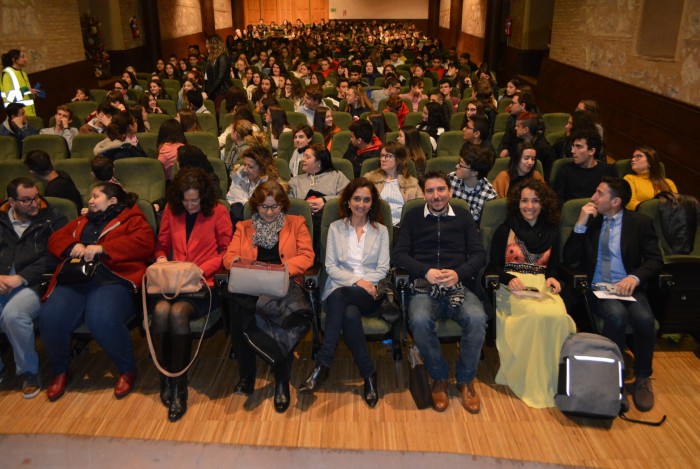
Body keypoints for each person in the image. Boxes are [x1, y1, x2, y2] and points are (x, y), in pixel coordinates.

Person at [40, 183, 155, 402]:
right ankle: (60, 370)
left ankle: (126, 368)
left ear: (112, 201)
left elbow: (144, 244)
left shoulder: (133, 220)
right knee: (50, 318)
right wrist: (73, 245)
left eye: (95, 196)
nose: (90, 200)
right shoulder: (82, 220)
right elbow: (55, 239)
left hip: (112, 279)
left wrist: (104, 249)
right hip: (75, 280)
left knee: (101, 319)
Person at [563, 177, 663, 412]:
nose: (593, 197)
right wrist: (580, 223)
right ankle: (614, 378)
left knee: (645, 319)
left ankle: (642, 378)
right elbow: (569, 258)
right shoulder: (592, 221)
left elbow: (655, 260)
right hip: (598, 287)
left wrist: (635, 277)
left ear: (615, 201)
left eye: (599, 194)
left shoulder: (640, 223)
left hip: (628, 286)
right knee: (616, 316)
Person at [393, 171, 488, 413]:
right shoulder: (413, 217)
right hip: (424, 287)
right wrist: (425, 271)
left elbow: (478, 255)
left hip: (457, 285)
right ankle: (439, 377)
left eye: (441, 190)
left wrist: (459, 273)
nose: (436, 196)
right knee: (419, 320)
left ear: (450, 191)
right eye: (430, 191)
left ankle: (466, 380)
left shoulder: (464, 217)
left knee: (477, 318)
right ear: (423, 193)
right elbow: (399, 254)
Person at [223, 181, 314, 413]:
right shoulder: (243, 227)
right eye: (264, 207)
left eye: (275, 207)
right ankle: (255, 374)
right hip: (252, 285)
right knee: (239, 306)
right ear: (256, 207)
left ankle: (271, 378)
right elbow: (229, 258)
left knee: (243, 309)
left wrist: (279, 270)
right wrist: (248, 267)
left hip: (284, 283)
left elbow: (307, 256)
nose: (270, 212)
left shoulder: (296, 223)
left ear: (283, 205)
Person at [150, 168, 233, 422]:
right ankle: (166, 374)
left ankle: (180, 385)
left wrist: (202, 268)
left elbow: (227, 250)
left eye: (194, 200)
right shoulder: (172, 211)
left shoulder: (218, 211)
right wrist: (162, 258)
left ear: (204, 197)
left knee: (176, 313)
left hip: (202, 284)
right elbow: (161, 244)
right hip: (173, 281)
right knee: (160, 311)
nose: (189, 205)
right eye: (185, 200)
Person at [299, 178, 389, 408]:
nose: (361, 204)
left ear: (372, 204)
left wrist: (366, 284)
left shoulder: (381, 231)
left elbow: (382, 268)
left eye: (366, 200)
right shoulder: (336, 229)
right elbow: (331, 268)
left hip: (370, 293)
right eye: (357, 198)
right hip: (343, 290)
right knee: (348, 313)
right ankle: (369, 374)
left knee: (341, 298)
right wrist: (358, 281)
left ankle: (324, 363)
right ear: (348, 201)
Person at [488, 179, 576, 408]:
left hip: (540, 284)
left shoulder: (551, 231)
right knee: (536, 316)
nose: (529, 206)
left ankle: (553, 380)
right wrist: (509, 279)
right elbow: (493, 266)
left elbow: (553, 267)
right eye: (524, 200)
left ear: (543, 204)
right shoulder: (506, 228)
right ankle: (528, 378)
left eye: (535, 201)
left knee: (558, 317)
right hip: (512, 286)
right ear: (517, 203)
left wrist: (553, 278)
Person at [0, 178, 67, 398]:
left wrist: (20, 278)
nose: (35, 203)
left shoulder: (53, 218)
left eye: (36, 197)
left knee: (13, 315)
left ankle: (29, 372)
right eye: (27, 200)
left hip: (36, 283)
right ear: (11, 201)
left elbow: (54, 256)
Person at [288, 144, 350, 253]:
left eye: (307, 157)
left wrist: (325, 201)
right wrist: (304, 207)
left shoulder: (336, 176)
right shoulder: (296, 181)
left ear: (319, 161)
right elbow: (288, 203)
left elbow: (349, 197)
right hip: (302, 225)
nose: (303, 160)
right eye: (303, 156)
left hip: (331, 223)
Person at [364, 141, 423, 227]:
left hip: (402, 227)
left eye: (388, 156)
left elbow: (421, 207)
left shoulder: (412, 184)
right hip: (376, 225)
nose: (383, 159)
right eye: (382, 156)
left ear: (399, 159)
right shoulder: (369, 180)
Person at [553, 129, 616, 204]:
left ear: (592, 151)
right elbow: (557, 202)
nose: (572, 151)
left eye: (578, 146)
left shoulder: (609, 171)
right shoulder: (565, 170)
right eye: (573, 146)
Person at [226, 146, 282, 225]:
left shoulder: (272, 186)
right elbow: (230, 199)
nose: (245, 169)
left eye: (250, 167)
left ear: (263, 168)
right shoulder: (239, 176)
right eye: (245, 164)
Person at [449, 144, 497, 225]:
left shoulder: (489, 196)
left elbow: (481, 227)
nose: (456, 166)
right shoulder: (451, 178)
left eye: (461, 165)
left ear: (474, 172)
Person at [514, 112, 557, 179]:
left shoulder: (544, 149)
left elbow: (547, 176)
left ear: (525, 130)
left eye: (518, 126)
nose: (515, 128)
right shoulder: (520, 142)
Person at [1, 49, 36, 116]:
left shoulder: (23, 73)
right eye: (22, 57)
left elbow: (24, 93)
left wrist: (31, 94)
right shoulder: (8, 74)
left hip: (29, 114)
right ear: (14, 60)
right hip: (17, 115)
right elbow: (10, 96)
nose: (26, 59)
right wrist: (26, 90)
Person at [204, 34, 230, 109]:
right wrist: (204, 92)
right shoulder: (210, 59)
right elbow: (206, 78)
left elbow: (220, 79)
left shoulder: (222, 57)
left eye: (207, 44)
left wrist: (208, 93)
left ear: (213, 45)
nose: (206, 46)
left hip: (221, 92)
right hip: (212, 92)